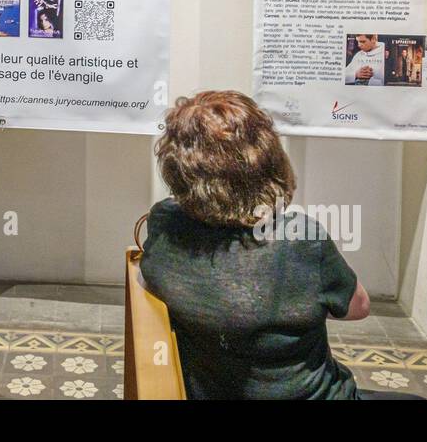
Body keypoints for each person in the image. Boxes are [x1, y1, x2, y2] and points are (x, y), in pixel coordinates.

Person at [140, 91, 378, 400]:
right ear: (265, 158)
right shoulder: (300, 238)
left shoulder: (165, 222)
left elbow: (150, 279)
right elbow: (358, 308)